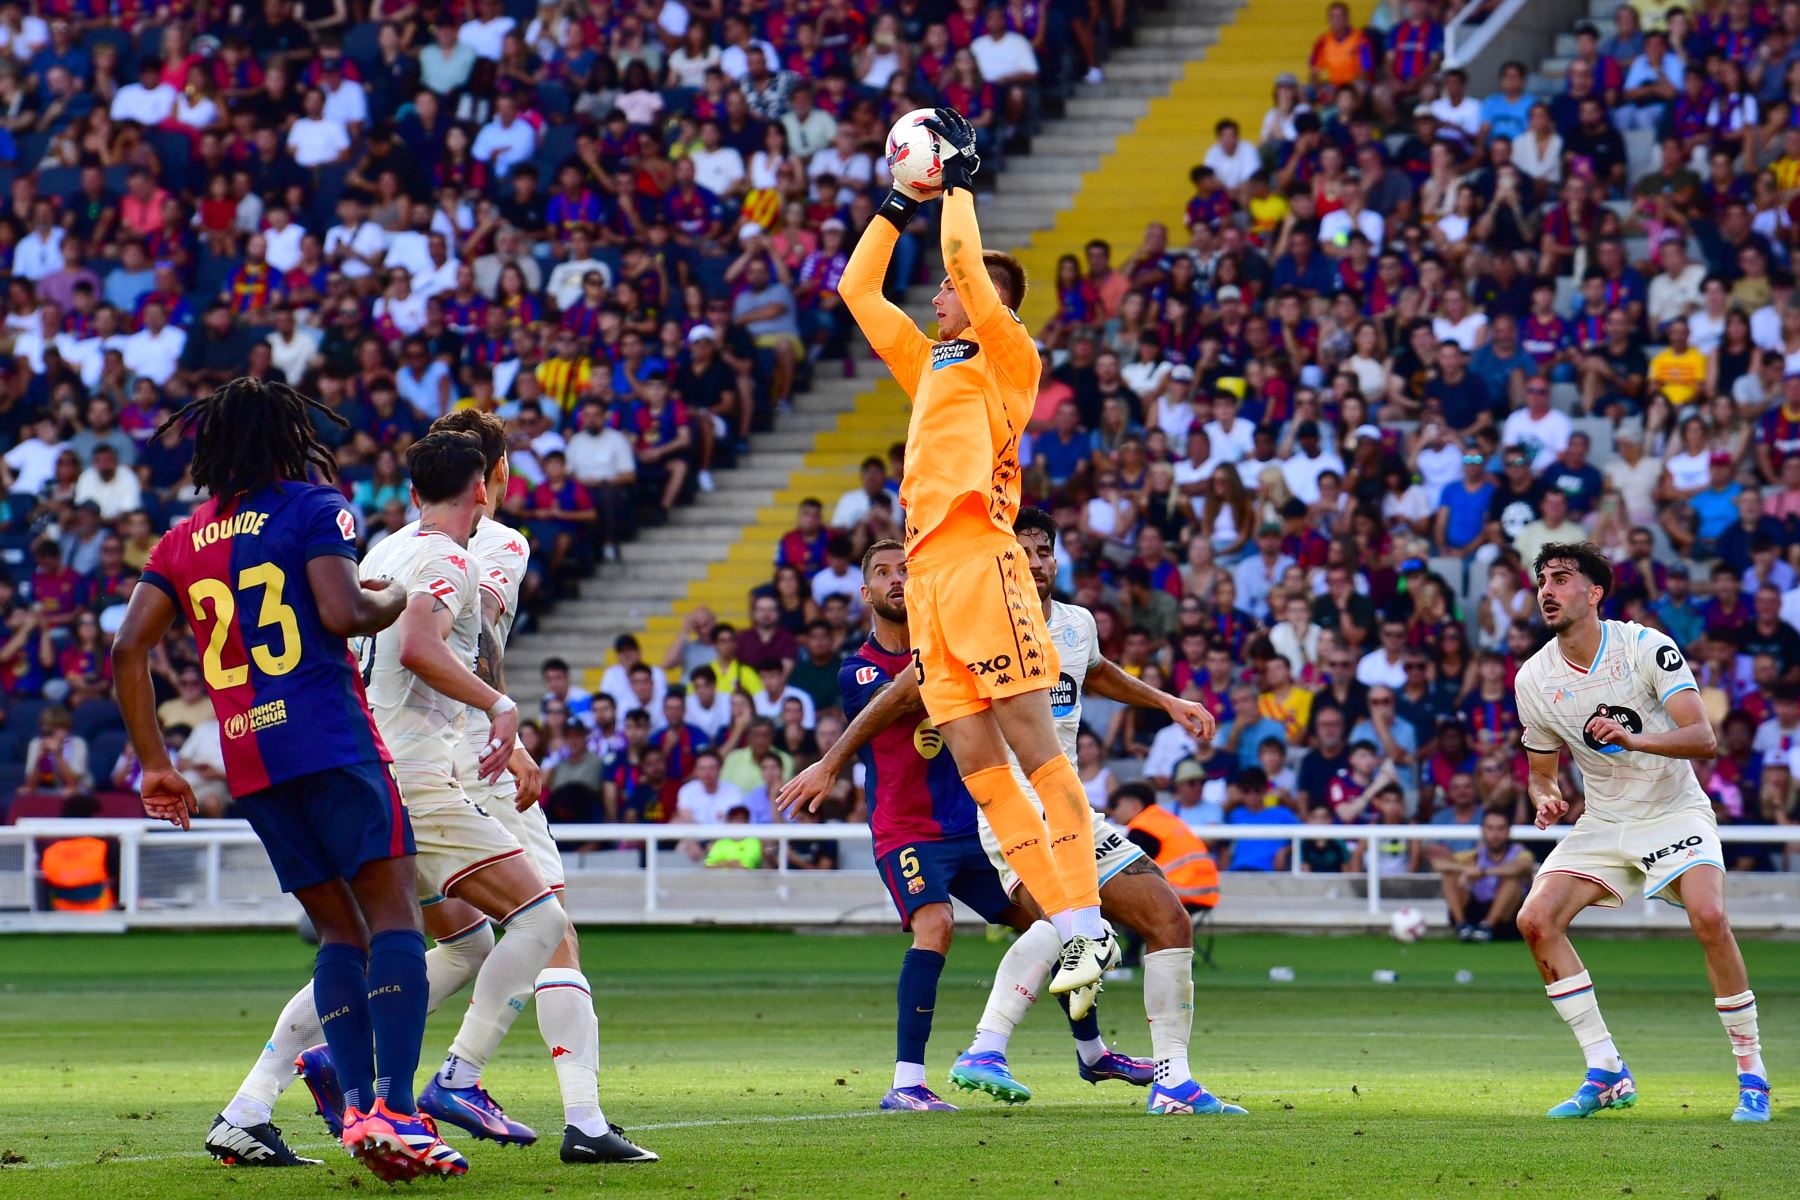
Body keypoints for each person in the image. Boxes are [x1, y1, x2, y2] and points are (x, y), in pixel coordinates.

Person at [108, 378, 466, 1179]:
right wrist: (396, 594)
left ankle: (361, 1117)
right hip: (330, 738)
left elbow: (128, 651)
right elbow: (343, 614)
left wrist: (157, 764)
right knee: (395, 915)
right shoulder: (314, 506)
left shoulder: (179, 540)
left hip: (251, 761)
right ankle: (396, 1109)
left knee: (340, 932)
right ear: (288, 437)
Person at [282, 411, 656, 1164]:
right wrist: (503, 719)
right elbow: (461, 639)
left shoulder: (384, 546)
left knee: (425, 941)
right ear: (490, 478)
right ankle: (474, 1085)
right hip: (446, 765)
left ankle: (272, 1093)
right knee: (548, 928)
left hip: (373, 763)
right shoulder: (487, 547)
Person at [831, 105, 1113, 995]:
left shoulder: (1006, 356)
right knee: (985, 771)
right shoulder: (935, 363)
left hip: (986, 559)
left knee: (1037, 751)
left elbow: (964, 264)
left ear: (992, 303)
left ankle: (1089, 920)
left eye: (954, 291)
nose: (940, 296)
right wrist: (898, 198)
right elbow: (856, 291)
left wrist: (954, 180)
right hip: (930, 582)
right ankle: (1070, 926)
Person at [776, 540, 1128, 1111]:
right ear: (865, 593)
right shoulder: (859, 670)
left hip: (977, 824)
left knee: (1053, 919)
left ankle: (1093, 1053)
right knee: (935, 925)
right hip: (908, 831)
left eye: (906, 571)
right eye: (884, 573)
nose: (897, 579)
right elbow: (911, 692)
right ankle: (907, 1082)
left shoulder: (954, 645)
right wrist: (832, 762)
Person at [1514, 542, 1769, 1123]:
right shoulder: (1533, 677)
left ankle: (1752, 1074)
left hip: (1674, 809)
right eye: (1541, 581)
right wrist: (1547, 798)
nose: (1546, 591)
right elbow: (1541, 774)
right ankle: (1606, 1070)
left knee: (1708, 918)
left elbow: (1704, 739)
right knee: (1534, 920)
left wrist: (1633, 739)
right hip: (1604, 820)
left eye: (1560, 579)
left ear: (1594, 592)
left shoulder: (1646, 648)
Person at [1440, 807, 1535, 942]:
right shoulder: (1476, 854)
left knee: (1512, 880)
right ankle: (1462, 926)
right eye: (1490, 828)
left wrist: (1483, 872)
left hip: (1508, 919)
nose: (1495, 834)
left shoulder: (1519, 852)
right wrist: (1464, 869)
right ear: (1483, 830)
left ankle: (1487, 927)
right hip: (1478, 911)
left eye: (1500, 828)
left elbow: (1520, 866)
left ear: (1508, 831)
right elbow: (1439, 864)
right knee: (1449, 876)